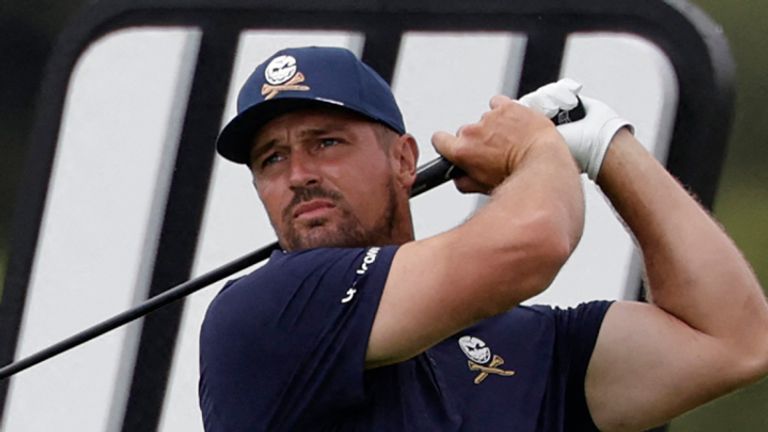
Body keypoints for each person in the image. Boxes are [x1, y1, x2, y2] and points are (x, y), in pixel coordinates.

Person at [199, 46, 768, 431]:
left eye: (326, 143)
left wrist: (606, 145)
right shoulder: (264, 312)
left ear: (404, 161)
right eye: (272, 159)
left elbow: (734, 341)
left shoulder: (526, 344)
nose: (298, 174)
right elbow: (536, 243)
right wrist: (538, 150)